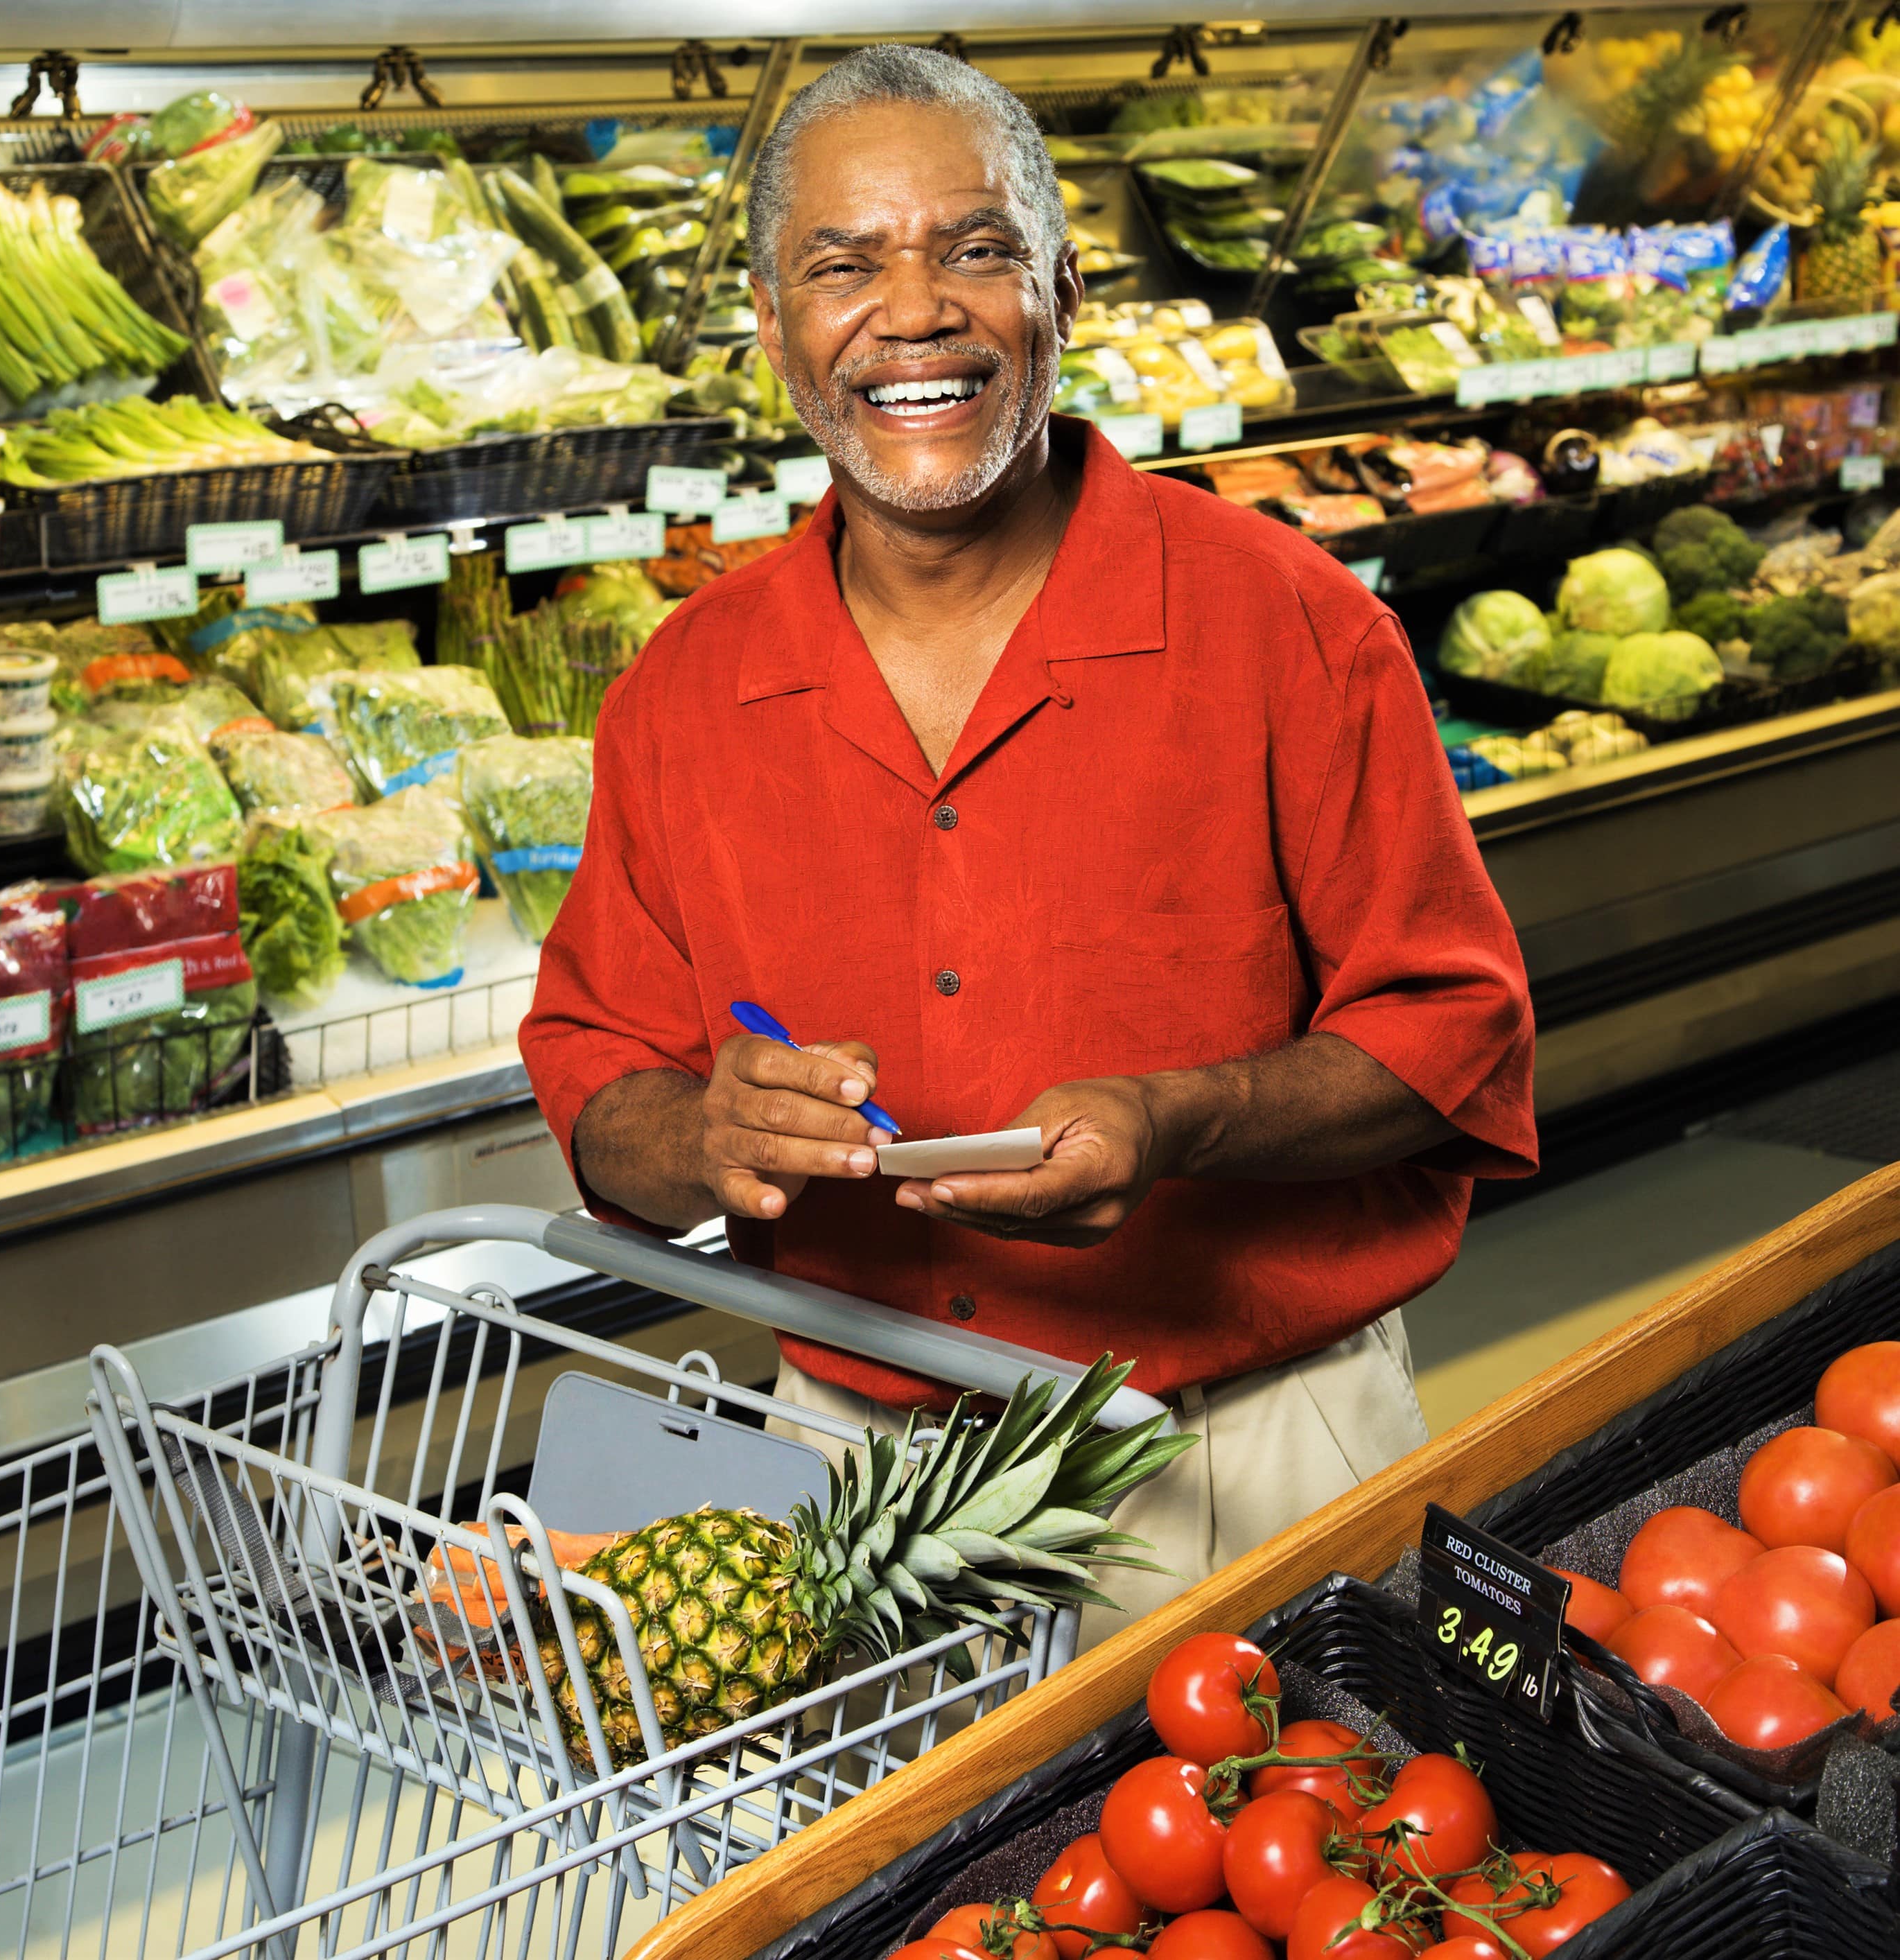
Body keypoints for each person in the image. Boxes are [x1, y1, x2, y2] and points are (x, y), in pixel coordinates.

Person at [521, 44, 1537, 1642]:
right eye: (843, 266)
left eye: (975, 249)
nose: (913, 312)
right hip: (853, 1481)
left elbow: (1450, 1029)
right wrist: (707, 1135)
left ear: (1062, 291)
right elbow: (602, 1078)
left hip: (1240, 1454)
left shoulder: (1289, 624)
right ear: (775, 330)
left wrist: (1175, 1120)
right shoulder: (684, 689)